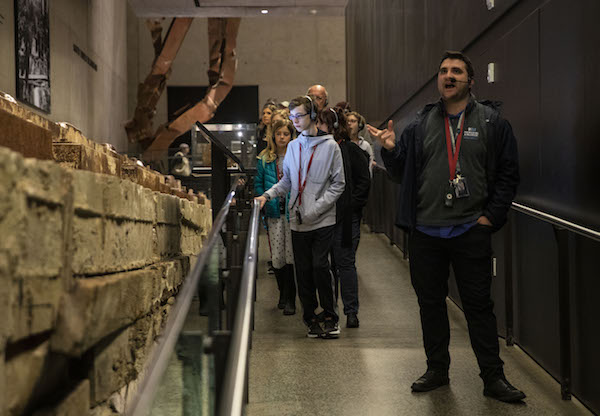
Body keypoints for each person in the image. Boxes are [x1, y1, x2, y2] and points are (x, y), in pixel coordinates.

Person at [367, 51, 524, 402]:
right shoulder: (421, 123)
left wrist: (489, 220)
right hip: (426, 232)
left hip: (471, 230)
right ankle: (437, 369)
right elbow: (399, 173)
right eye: (443, 71)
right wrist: (390, 150)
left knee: (478, 307)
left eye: (456, 71)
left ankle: (493, 377)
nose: (448, 76)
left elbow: (508, 175)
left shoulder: (492, 122)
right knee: (431, 304)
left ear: (471, 80)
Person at [256, 95, 345, 339]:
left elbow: (338, 185)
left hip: (322, 219)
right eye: (292, 116)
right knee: (303, 271)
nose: (294, 121)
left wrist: (316, 208)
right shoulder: (294, 147)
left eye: (299, 116)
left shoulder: (331, 147)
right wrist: (267, 195)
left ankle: (330, 315)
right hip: (296, 219)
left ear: (313, 116)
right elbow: (287, 180)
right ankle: (310, 317)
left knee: (320, 266)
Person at [317, 107, 370, 328]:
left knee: (345, 264)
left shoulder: (351, 150)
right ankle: (331, 311)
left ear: (333, 126)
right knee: (324, 266)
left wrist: (351, 205)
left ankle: (351, 312)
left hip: (346, 218)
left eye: (321, 123)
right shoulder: (316, 150)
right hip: (321, 217)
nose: (317, 127)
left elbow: (363, 182)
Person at [255, 119, 297, 315]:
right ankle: (282, 293)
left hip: (292, 213)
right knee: (277, 257)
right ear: (273, 136)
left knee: (291, 256)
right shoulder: (265, 158)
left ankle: (291, 298)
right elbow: (259, 184)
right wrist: (264, 202)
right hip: (273, 212)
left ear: (291, 136)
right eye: (279, 133)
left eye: (286, 134)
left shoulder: (296, 156)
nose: (282, 137)